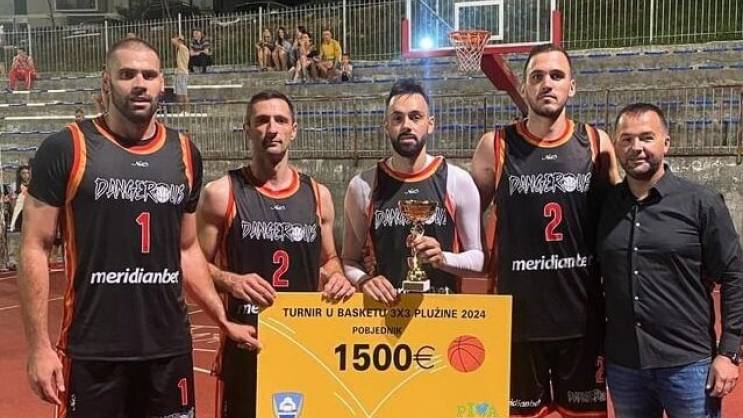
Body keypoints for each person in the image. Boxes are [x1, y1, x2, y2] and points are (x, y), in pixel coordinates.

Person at [16, 37, 258, 418]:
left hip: (169, 352)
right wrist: (38, 346)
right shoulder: (67, 148)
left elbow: (187, 250)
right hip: (94, 353)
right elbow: (35, 246)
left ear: (162, 83)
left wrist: (222, 318)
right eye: (127, 74)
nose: (140, 84)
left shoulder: (185, 153)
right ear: (106, 82)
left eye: (149, 74)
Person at [470, 43, 620, 417]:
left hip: (582, 321)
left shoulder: (596, 142)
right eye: (536, 77)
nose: (546, 84)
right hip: (517, 321)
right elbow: (465, 221)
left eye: (556, 76)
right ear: (523, 87)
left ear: (572, 86)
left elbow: (620, 219)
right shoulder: (495, 145)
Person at [197, 90, 354, 418]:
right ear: (247, 129)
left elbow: (329, 259)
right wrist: (231, 280)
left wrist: (337, 277)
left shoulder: (318, 195)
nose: (272, 129)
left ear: (293, 130)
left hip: (303, 342)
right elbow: (194, 264)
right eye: (262, 121)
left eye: (280, 120)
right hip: (246, 342)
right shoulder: (221, 193)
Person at [596, 103, 743, 418]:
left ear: (666, 143)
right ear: (616, 145)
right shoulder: (604, 207)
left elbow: (734, 275)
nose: (637, 147)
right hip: (625, 367)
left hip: (688, 365)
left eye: (646, 137)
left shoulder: (701, 202)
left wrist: (729, 353)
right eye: (626, 139)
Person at [343, 79, 484, 303]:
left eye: (415, 117)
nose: (406, 125)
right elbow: (349, 261)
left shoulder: (457, 180)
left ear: (430, 124)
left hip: (442, 313)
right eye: (397, 118)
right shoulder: (362, 186)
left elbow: (478, 260)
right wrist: (364, 280)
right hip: (386, 312)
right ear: (386, 126)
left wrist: (443, 258)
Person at [9, 164, 30, 232]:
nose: (26, 175)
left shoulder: (33, 185)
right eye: (23, 173)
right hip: (20, 206)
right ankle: (13, 226)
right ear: (20, 174)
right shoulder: (15, 185)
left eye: (27, 173)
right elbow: (13, 198)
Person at [171, 35, 190, 110]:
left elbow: (173, 41)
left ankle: (186, 110)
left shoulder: (183, 47)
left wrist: (176, 38)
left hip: (182, 73)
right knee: (179, 93)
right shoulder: (181, 49)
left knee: (183, 93)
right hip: (179, 73)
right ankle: (182, 110)